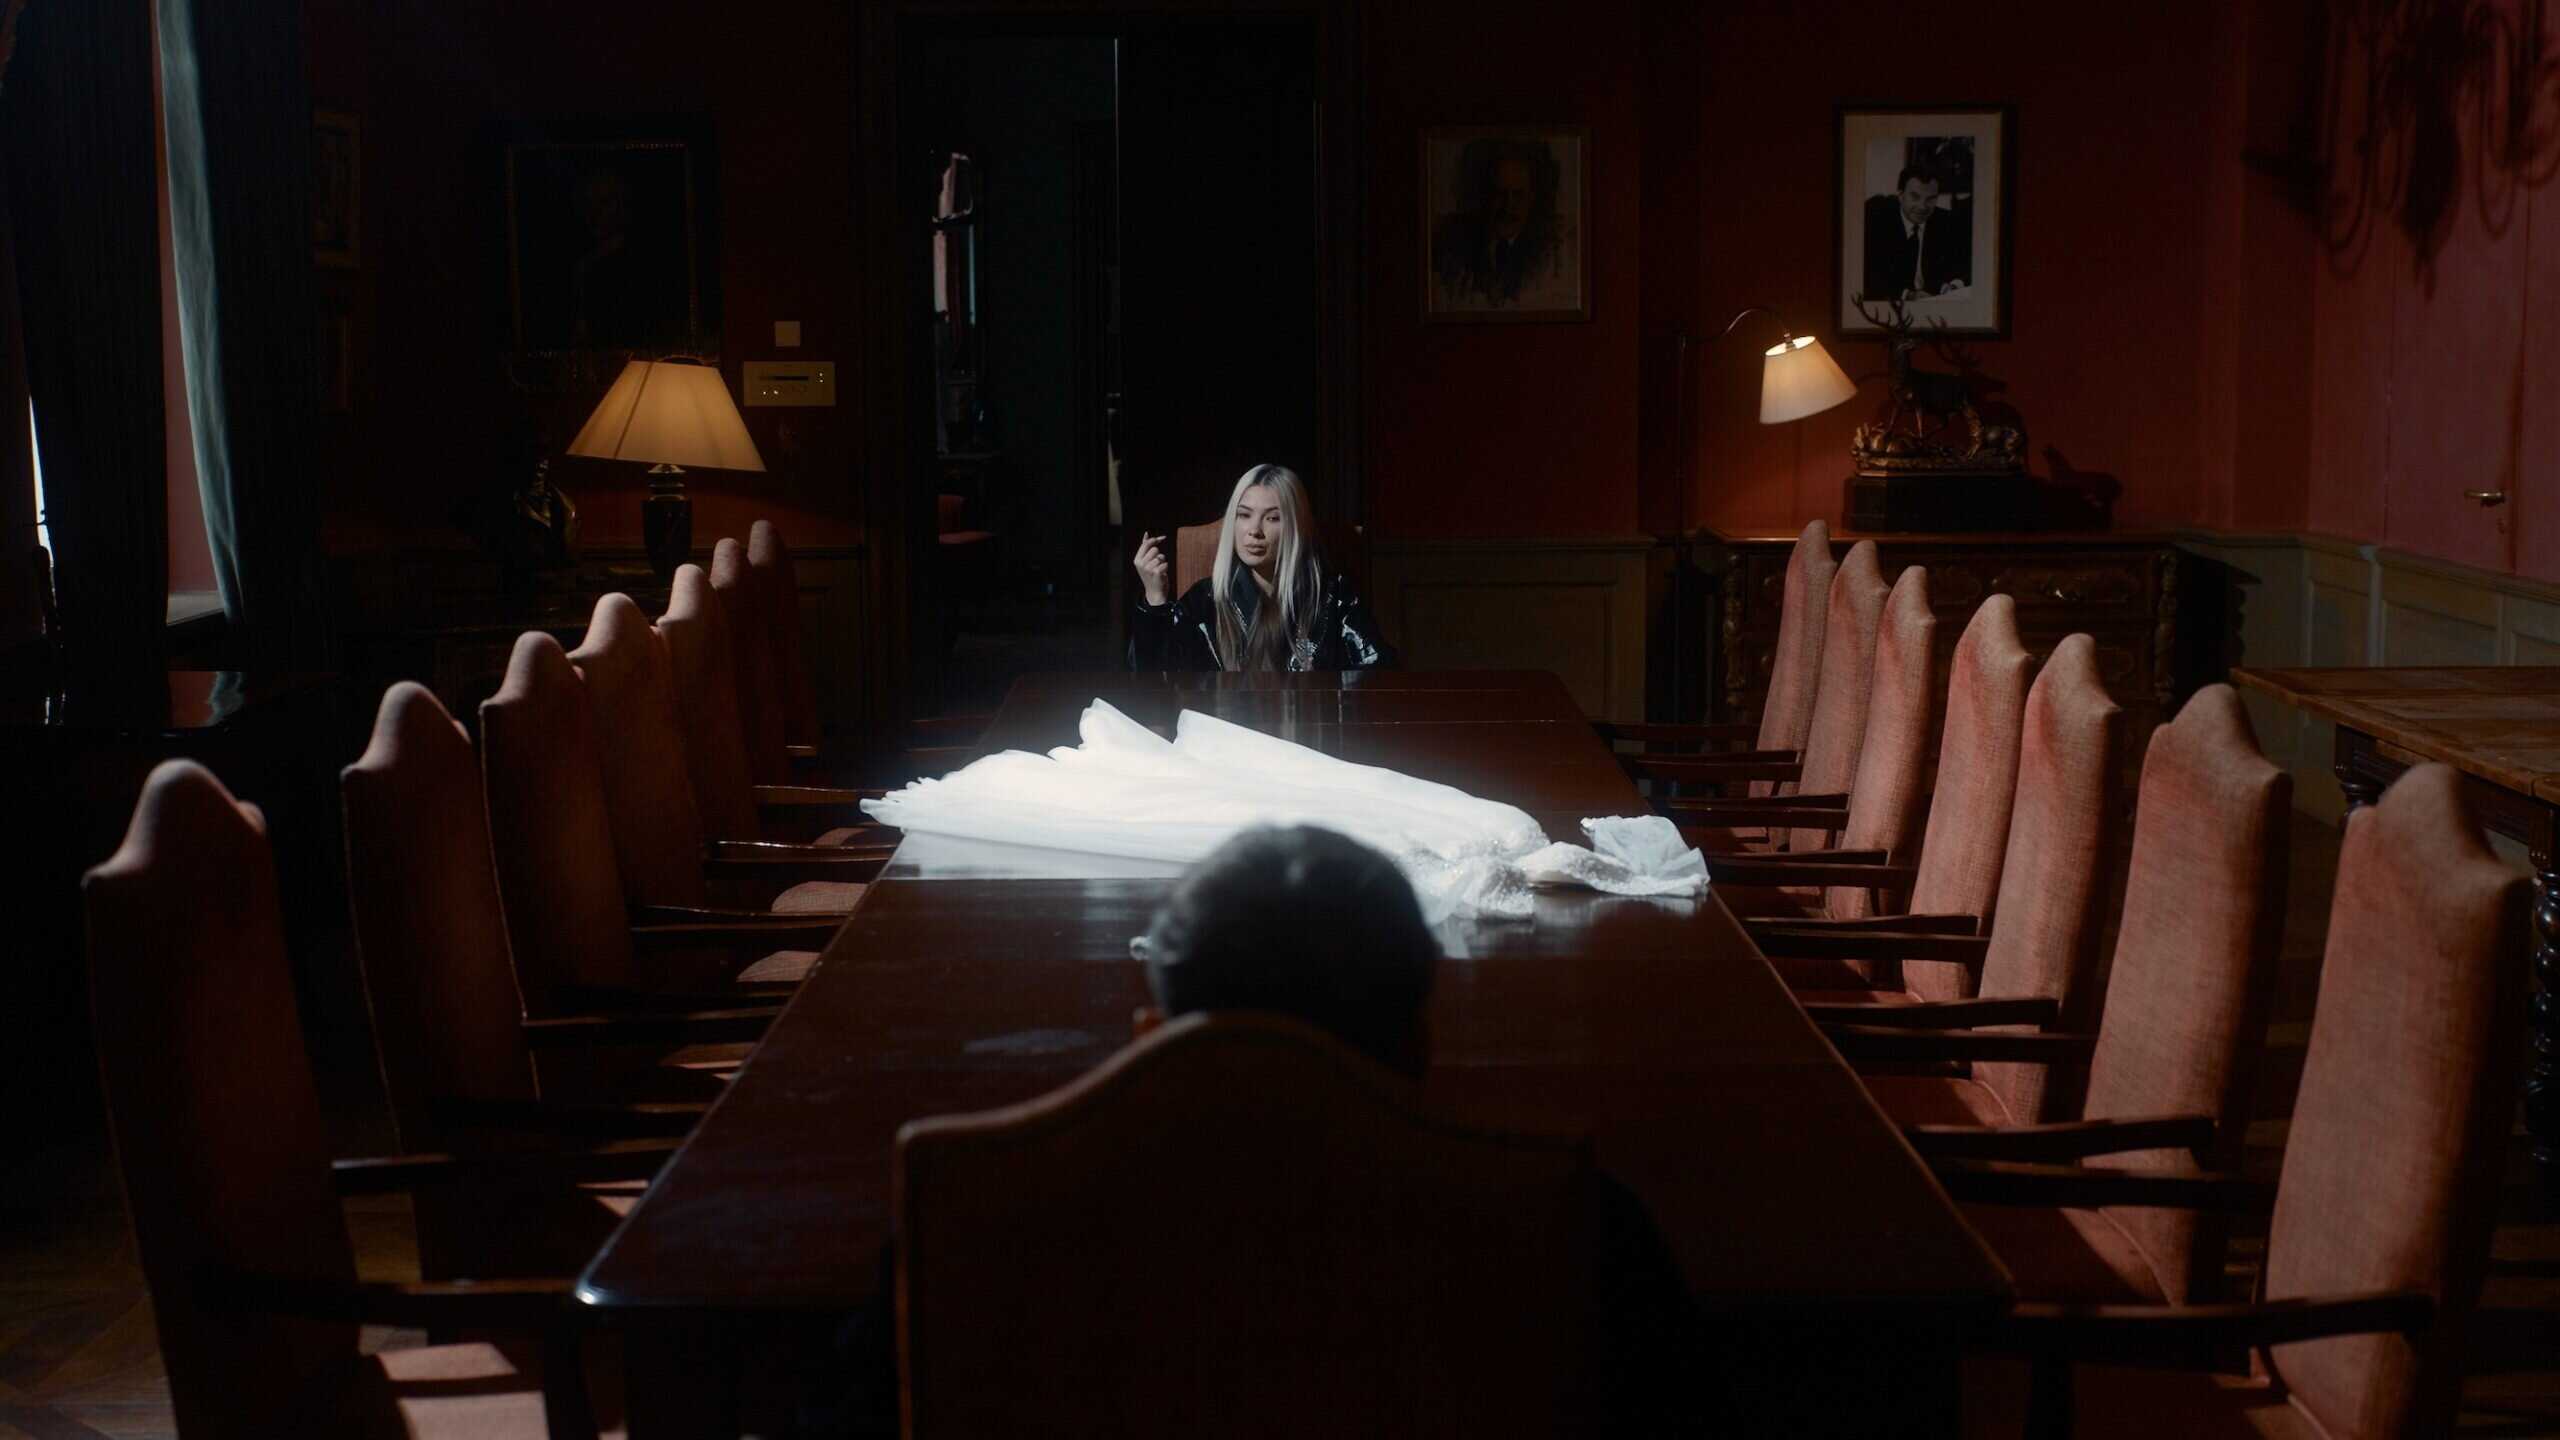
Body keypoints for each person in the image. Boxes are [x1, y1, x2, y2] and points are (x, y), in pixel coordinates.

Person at [1127, 463, 1395, 672]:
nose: (1254, 530)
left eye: (1273, 518)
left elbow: (1376, 674)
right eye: (1244, 515)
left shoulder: (1334, 598)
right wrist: (1155, 598)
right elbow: (1156, 682)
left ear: (1295, 527)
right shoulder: (1205, 600)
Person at [1860, 163, 1972, 302]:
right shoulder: (1876, 222)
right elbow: (1868, 278)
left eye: (1931, 199)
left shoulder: (1948, 222)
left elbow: (1968, 266)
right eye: (1915, 197)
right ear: (1900, 195)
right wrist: (1908, 295)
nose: (1922, 206)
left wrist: (1953, 286)